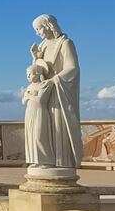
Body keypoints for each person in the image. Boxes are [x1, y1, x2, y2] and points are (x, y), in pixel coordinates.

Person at [27, 13, 83, 170]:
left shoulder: (65, 43)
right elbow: (39, 72)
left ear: (48, 26)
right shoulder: (43, 46)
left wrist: (54, 81)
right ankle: (45, 160)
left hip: (58, 93)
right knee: (42, 130)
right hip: (44, 94)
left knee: (59, 128)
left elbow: (73, 68)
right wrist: (36, 58)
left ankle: (61, 162)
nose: (37, 33)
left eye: (39, 29)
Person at [22, 63, 54, 167]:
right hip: (29, 113)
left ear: (37, 73)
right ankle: (36, 160)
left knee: (40, 136)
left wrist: (29, 96)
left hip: (40, 112)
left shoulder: (45, 84)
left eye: (30, 74)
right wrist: (31, 96)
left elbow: (40, 101)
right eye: (27, 75)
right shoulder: (29, 86)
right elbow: (23, 101)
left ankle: (47, 161)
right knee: (31, 138)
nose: (28, 77)